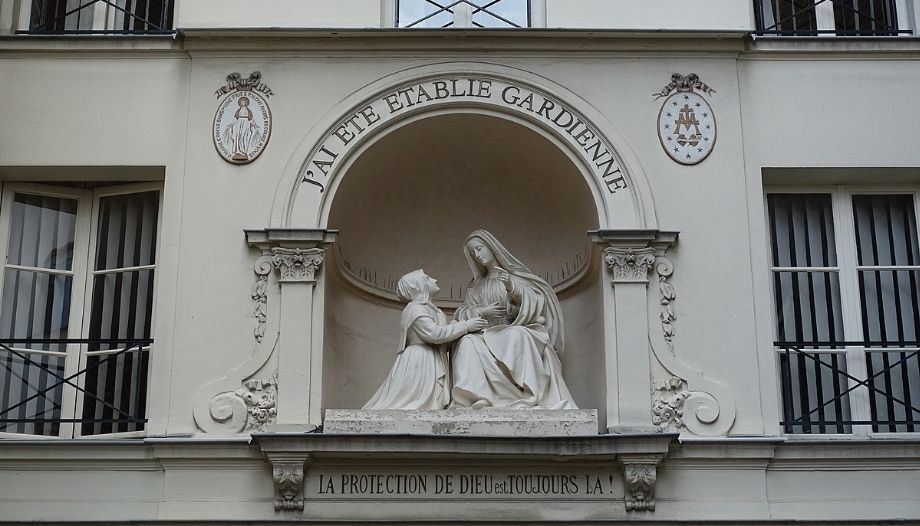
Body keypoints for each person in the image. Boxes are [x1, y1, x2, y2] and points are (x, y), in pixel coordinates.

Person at [451, 230, 578, 409]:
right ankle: (478, 396)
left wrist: (513, 289)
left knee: (518, 336)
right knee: (466, 342)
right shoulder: (475, 288)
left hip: (512, 327)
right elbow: (461, 314)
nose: (477, 255)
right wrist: (482, 311)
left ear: (491, 247)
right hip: (484, 334)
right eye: (473, 253)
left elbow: (537, 305)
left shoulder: (516, 277)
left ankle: (528, 394)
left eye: (479, 249)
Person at [363, 269, 488, 410]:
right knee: (413, 403)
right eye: (428, 278)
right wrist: (465, 326)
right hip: (420, 360)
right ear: (420, 286)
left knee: (428, 405)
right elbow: (434, 334)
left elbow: (442, 340)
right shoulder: (415, 308)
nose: (434, 280)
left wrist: (458, 328)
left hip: (431, 358)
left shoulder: (433, 310)